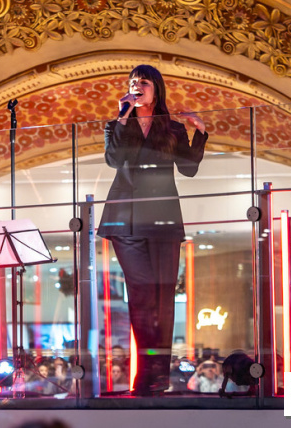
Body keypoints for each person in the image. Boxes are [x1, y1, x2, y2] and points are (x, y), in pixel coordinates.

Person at [98, 64, 208, 395]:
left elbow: (188, 169)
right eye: (132, 83)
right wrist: (122, 116)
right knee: (142, 295)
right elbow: (115, 160)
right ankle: (145, 374)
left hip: (162, 220)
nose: (136, 87)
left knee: (162, 298)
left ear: (156, 89)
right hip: (125, 220)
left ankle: (158, 375)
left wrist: (199, 132)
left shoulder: (171, 127)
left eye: (142, 82)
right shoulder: (117, 125)